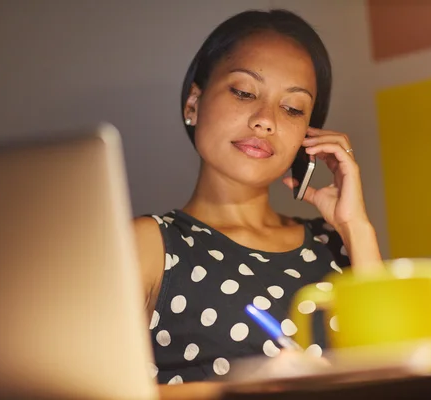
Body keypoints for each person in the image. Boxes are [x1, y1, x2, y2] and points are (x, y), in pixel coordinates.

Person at [132, 8, 382, 391]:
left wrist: (356, 228)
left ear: (307, 136)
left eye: (292, 108)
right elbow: (82, 389)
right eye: (244, 92)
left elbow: (398, 375)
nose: (266, 120)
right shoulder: (148, 244)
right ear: (193, 104)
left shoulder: (334, 245)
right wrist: (251, 388)